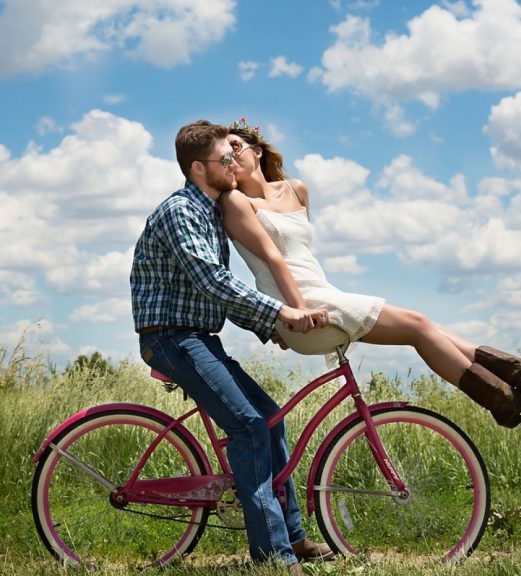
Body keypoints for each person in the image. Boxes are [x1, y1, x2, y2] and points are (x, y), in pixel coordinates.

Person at [221, 117, 521, 428]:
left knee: (424, 327)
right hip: (301, 307)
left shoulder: (296, 190)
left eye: (236, 147)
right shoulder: (237, 203)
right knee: (418, 326)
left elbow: (303, 257)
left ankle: (519, 379)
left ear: (257, 150)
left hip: (321, 295)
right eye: (223, 155)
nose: (230, 157)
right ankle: (506, 392)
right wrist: (293, 313)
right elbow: (274, 260)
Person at [130, 120, 333, 572]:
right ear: (199, 167)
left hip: (198, 337)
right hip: (171, 338)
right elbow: (213, 281)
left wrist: (270, 328)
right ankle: (273, 556)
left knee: (271, 420)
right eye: (226, 158)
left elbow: (216, 292)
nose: (234, 165)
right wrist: (281, 313)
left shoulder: (210, 213)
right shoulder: (181, 211)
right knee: (249, 428)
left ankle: (293, 538)